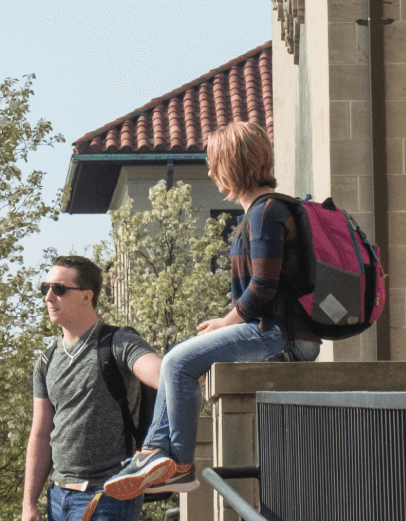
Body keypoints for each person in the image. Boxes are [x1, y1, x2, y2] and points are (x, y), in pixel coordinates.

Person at [103, 121, 320, 500]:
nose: (209, 171)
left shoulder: (266, 212)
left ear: (233, 163)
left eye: (212, 161)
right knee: (180, 362)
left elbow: (263, 288)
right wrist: (222, 333)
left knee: (177, 362)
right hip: (274, 331)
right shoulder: (261, 212)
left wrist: (226, 322)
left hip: (278, 336)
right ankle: (156, 453)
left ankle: (177, 465)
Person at [21, 256, 166, 521]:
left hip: (110, 495)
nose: (48, 298)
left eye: (59, 289)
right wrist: (29, 503)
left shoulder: (119, 343)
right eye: (46, 289)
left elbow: (165, 376)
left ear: (87, 296)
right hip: (58, 498)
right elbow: (40, 433)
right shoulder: (46, 360)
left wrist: (189, 367)